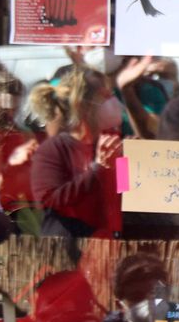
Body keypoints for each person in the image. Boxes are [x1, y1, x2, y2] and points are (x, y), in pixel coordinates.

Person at [28, 66, 124, 246]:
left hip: (105, 249)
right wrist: (98, 169)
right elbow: (50, 200)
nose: (113, 102)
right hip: (66, 250)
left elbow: (121, 196)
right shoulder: (53, 149)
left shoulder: (112, 145)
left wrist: (129, 162)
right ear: (83, 106)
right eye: (105, 96)